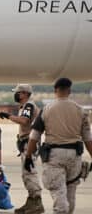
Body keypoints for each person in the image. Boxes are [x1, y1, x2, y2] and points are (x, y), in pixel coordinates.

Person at [25, 78, 92, 214]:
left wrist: (28, 156)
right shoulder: (81, 111)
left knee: (58, 192)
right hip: (75, 155)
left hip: (54, 156)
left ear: (55, 90)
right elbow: (88, 138)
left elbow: (34, 136)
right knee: (71, 192)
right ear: (69, 90)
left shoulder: (47, 110)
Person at [0, 84, 44, 214]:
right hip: (26, 143)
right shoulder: (25, 106)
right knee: (26, 173)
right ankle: (31, 201)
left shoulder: (28, 106)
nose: (16, 95)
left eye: (18, 92)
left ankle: (37, 202)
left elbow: (24, 121)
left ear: (24, 93)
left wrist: (8, 116)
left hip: (29, 143)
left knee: (29, 172)